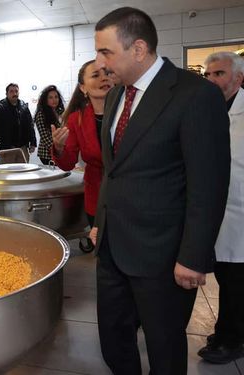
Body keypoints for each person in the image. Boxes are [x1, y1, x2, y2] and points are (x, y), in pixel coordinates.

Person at [92, 7, 230, 374]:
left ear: (138, 49)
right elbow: (114, 170)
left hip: (164, 255)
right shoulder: (116, 96)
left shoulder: (194, 95)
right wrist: (99, 222)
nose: (99, 62)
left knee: (164, 347)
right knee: (113, 340)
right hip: (113, 247)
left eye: (106, 52)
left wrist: (194, 256)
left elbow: (210, 183)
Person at [197, 51, 244, 364]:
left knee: (237, 280)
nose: (212, 80)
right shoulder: (205, 109)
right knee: (226, 277)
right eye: (209, 74)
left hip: (240, 213)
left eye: (220, 74)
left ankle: (232, 340)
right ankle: (227, 329)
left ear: (238, 78)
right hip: (217, 210)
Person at [51, 61, 113, 227]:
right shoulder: (76, 119)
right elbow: (68, 163)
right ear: (83, 88)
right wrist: (59, 147)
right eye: (95, 75)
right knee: (103, 250)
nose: (104, 78)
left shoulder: (129, 113)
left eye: (108, 73)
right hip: (97, 198)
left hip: (132, 198)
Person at [0, 83, 36, 163]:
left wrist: (33, 142)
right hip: (7, 148)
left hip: (22, 148)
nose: (14, 94)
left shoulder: (24, 108)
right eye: (11, 91)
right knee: (8, 173)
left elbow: (30, 125)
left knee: (23, 173)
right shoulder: (0, 109)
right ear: (7, 94)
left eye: (16, 91)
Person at [34, 85, 65, 165]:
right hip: (47, 154)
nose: (54, 100)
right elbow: (46, 138)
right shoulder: (41, 114)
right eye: (50, 97)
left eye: (56, 97)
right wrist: (59, 150)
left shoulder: (60, 111)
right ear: (45, 100)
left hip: (60, 151)